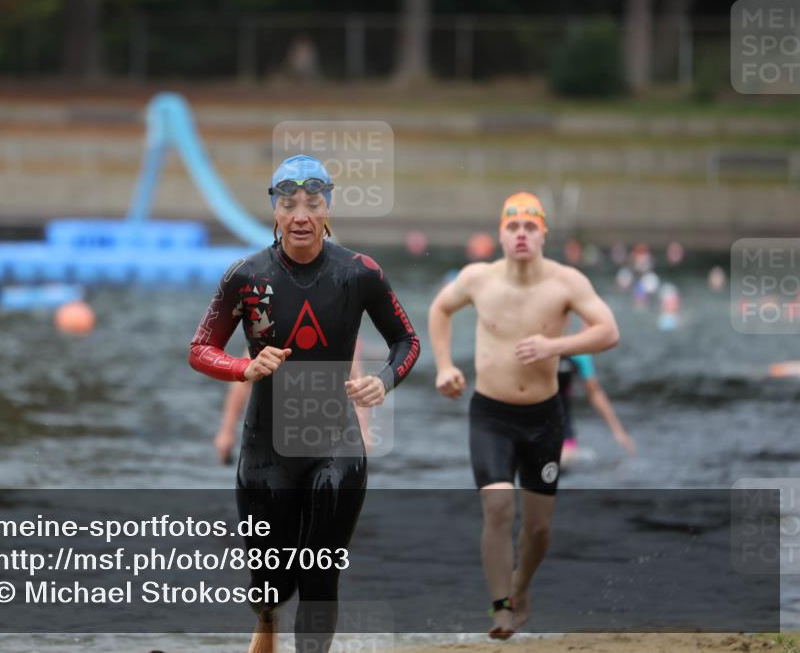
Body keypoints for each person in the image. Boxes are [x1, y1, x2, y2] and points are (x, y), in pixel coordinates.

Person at [189, 154, 419, 653]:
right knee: (272, 586)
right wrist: (241, 367)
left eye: (312, 203)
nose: (300, 215)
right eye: (288, 203)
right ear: (274, 211)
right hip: (265, 449)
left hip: (335, 442)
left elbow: (407, 341)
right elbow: (199, 348)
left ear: (327, 209)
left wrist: (384, 381)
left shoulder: (360, 273)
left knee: (318, 577)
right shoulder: (245, 277)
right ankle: (267, 619)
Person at [428, 191, 619, 640]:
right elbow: (440, 309)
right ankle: (500, 608)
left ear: (542, 235)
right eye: (512, 227)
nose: (520, 234)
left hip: (543, 418)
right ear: (500, 234)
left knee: (538, 528)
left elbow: (609, 331)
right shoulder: (478, 279)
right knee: (497, 507)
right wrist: (444, 366)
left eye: (529, 227)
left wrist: (556, 346)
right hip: (490, 414)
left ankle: (521, 587)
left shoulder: (566, 283)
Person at [213, 343, 372, 465]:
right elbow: (244, 382)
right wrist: (227, 431)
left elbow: (355, 381)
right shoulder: (275, 329)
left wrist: (363, 431)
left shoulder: (339, 326)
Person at [558, 353, 635, 469]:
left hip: (562, 428)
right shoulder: (529, 346)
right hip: (530, 421)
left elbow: (595, 393)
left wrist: (619, 431)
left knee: (564, 464)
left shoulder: (578, 353)